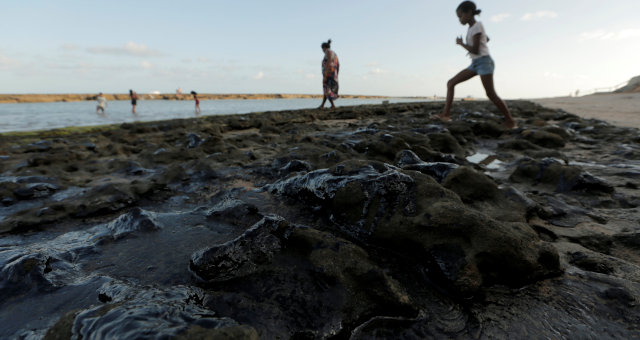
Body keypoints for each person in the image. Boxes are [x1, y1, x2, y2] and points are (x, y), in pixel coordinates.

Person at [434, 1, 517, 129]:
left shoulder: (477, 26)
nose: (459, 19)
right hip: (475, 63)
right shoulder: (473, 28)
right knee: (451, 83)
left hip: (484, 62)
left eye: (460, 16)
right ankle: (446, 114)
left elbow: (476, 50)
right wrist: (483, 38)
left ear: (469, 13)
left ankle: (510, 121)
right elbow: (487, 38)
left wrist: (461, 44)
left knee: (490, 94)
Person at [318, 39, 339, 110]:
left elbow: (329, 60)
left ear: (324, 47)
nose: (322, 50)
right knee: (327, 89)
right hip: (333, 74)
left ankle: (326, 105)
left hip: (329, 74)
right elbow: (338, 65)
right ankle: (323, 105)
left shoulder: (328, 51)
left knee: (327, 89)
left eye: (322, 49)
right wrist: (337, 74)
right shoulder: (335, 54)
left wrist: (326, 71)